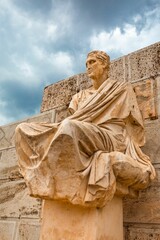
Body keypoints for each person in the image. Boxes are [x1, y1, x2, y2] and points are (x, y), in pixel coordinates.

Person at [15, 50, 155, 208]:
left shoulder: (121, 89)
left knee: (69, 127)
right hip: (80, 130)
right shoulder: (79, 97)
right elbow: (75, 120)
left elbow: (135, 125)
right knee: (23, 130)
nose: (88, 67)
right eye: (87, 64)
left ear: (104, 64)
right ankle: (46, 177)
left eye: (92, 62)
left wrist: (132, 147)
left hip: (110, 137)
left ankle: (66, 179)